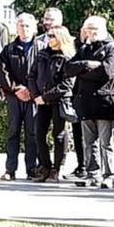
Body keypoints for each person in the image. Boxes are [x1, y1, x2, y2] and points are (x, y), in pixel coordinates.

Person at [68, 16, 114, 189]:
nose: (90, 33)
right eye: (87, 29)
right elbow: (69, 68)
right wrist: (88, 64)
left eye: (94, 29)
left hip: (104, 102)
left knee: (106, 143)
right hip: (85, 102)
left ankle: (109, 174)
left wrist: (83, 70)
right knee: (89, 142)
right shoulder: (84, 49)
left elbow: (107, 72)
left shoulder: (113, 49)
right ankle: (93, 173)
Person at [29, 26, 76, 183]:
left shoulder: (67, 57)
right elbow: (32, 75)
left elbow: (67, 84)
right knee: (39, 132)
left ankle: (56, 168)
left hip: (59, 101)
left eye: (52, 36)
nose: (49, 39)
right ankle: (45, 166)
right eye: (48, 36)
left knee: (59, 135)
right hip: (41, 100)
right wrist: (36, 95)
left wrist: (46, 97)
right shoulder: (42, 55)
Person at [0, 13, 39, 181]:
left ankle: (32, 169)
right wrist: (16, 88)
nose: (24, 28)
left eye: (28, 25)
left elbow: (43, 73)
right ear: (16, 28)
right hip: (14, 96)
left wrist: (32, 90)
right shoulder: (8, 49)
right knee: (13, 133)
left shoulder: (41, 48)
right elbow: (2, 71)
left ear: (34, 28)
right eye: (21, 25)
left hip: (34, 97)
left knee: (32, 133)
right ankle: (10, 169)